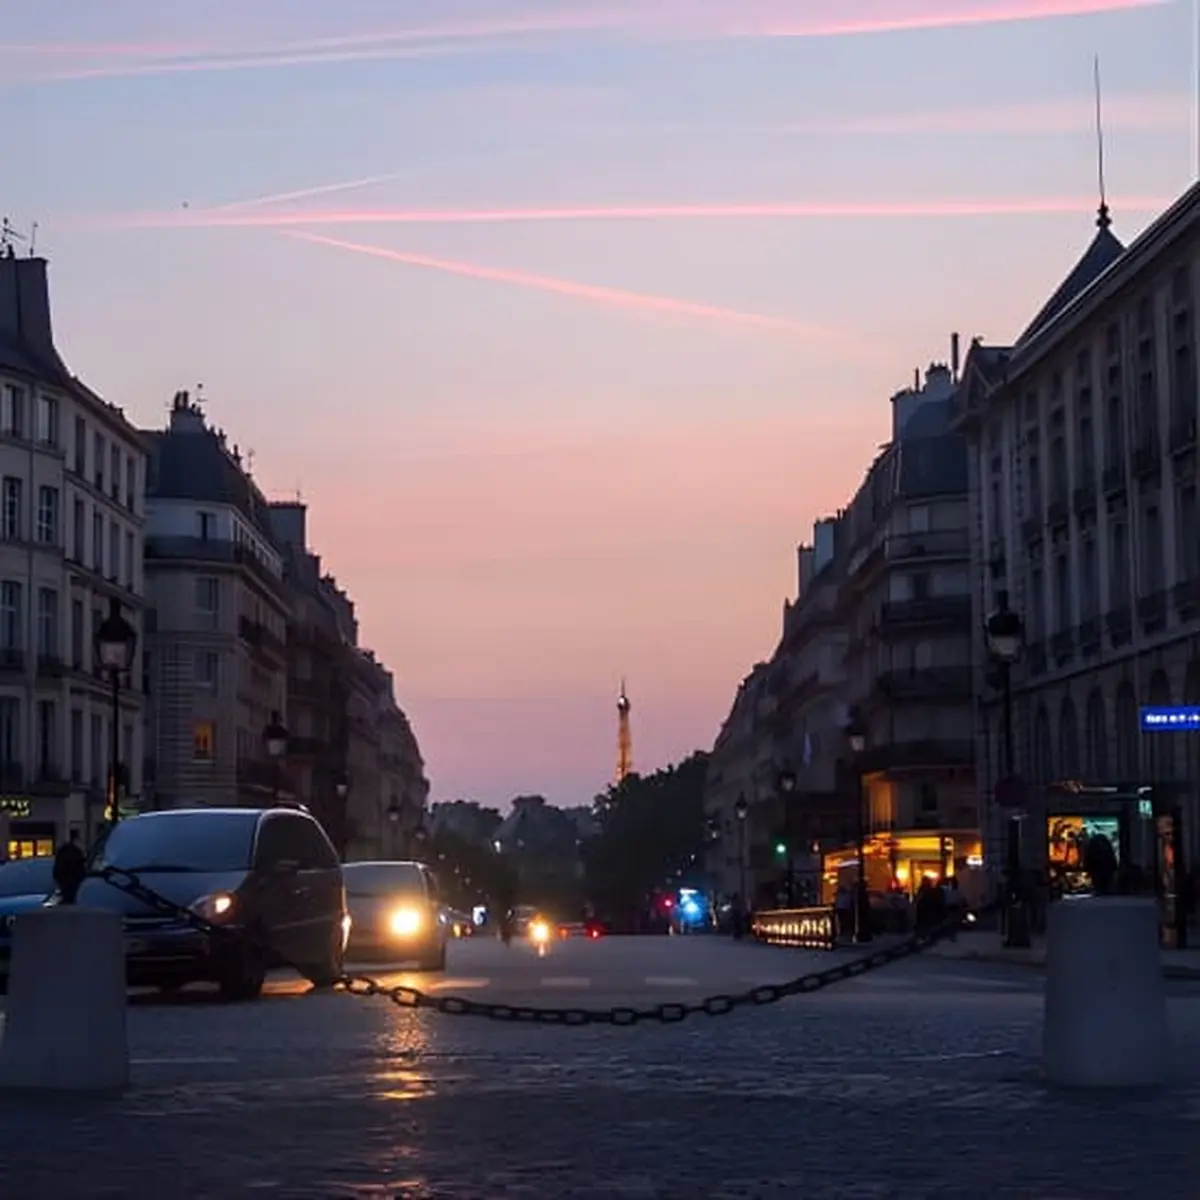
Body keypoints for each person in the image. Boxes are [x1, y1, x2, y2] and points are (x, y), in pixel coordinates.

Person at [53, 830, 88, 905]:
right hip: (73, 881)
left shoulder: (63, 851)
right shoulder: (76, 852)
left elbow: (58, 869)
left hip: (66, 881)